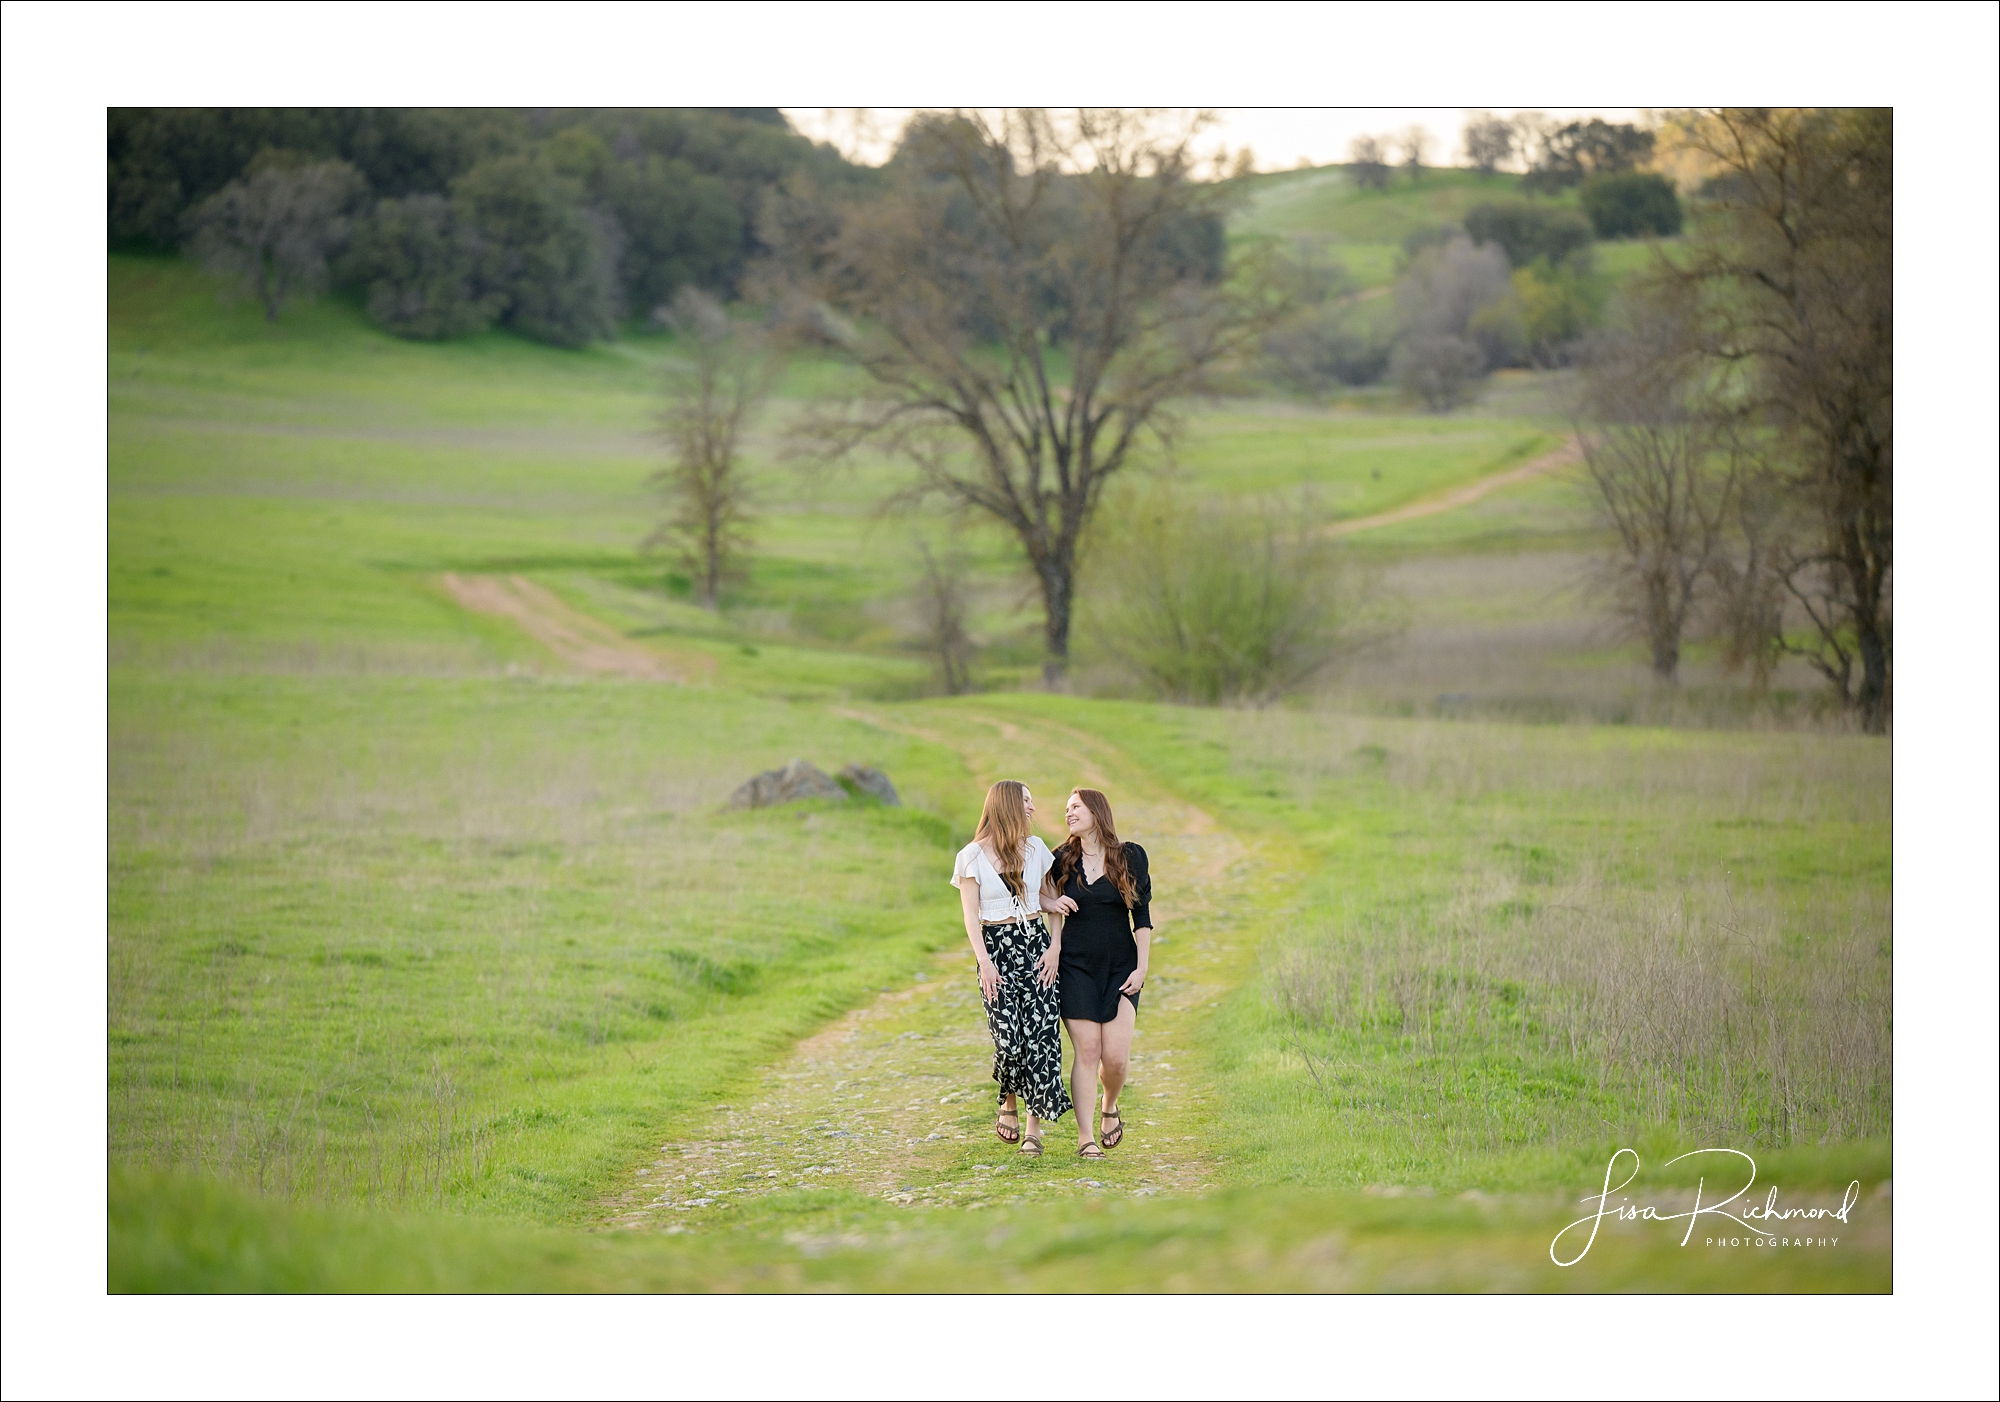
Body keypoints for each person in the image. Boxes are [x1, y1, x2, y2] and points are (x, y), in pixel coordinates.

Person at [952, 780, 1073, 1157]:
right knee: (1008, 1040)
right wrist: (984, 963)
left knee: (1042, 1037)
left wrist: (1055, 947)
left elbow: (1049, 898)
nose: (1033, 809)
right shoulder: (970, 857)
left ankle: (1033, 1132)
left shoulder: (1036, 849)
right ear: (1006, 805)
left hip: (1036, 947)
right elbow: (971, 917)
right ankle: (1008, 1097)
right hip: (995, 951)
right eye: (1026, 801)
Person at [1052, 788, 1152, 1159]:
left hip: (1121, 968)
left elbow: (1141, 917)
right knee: (1089, 1050)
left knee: (1116, 1059)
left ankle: (1109, 1104)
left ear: (1097, 810)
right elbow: (1036, 895)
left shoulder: (1131, 856)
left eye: (1075, 806)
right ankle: (1085, 1138)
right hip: (1075, 967)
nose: (1069, 813)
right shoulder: (1060, 859)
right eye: (1066, 809)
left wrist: (1142, 968)